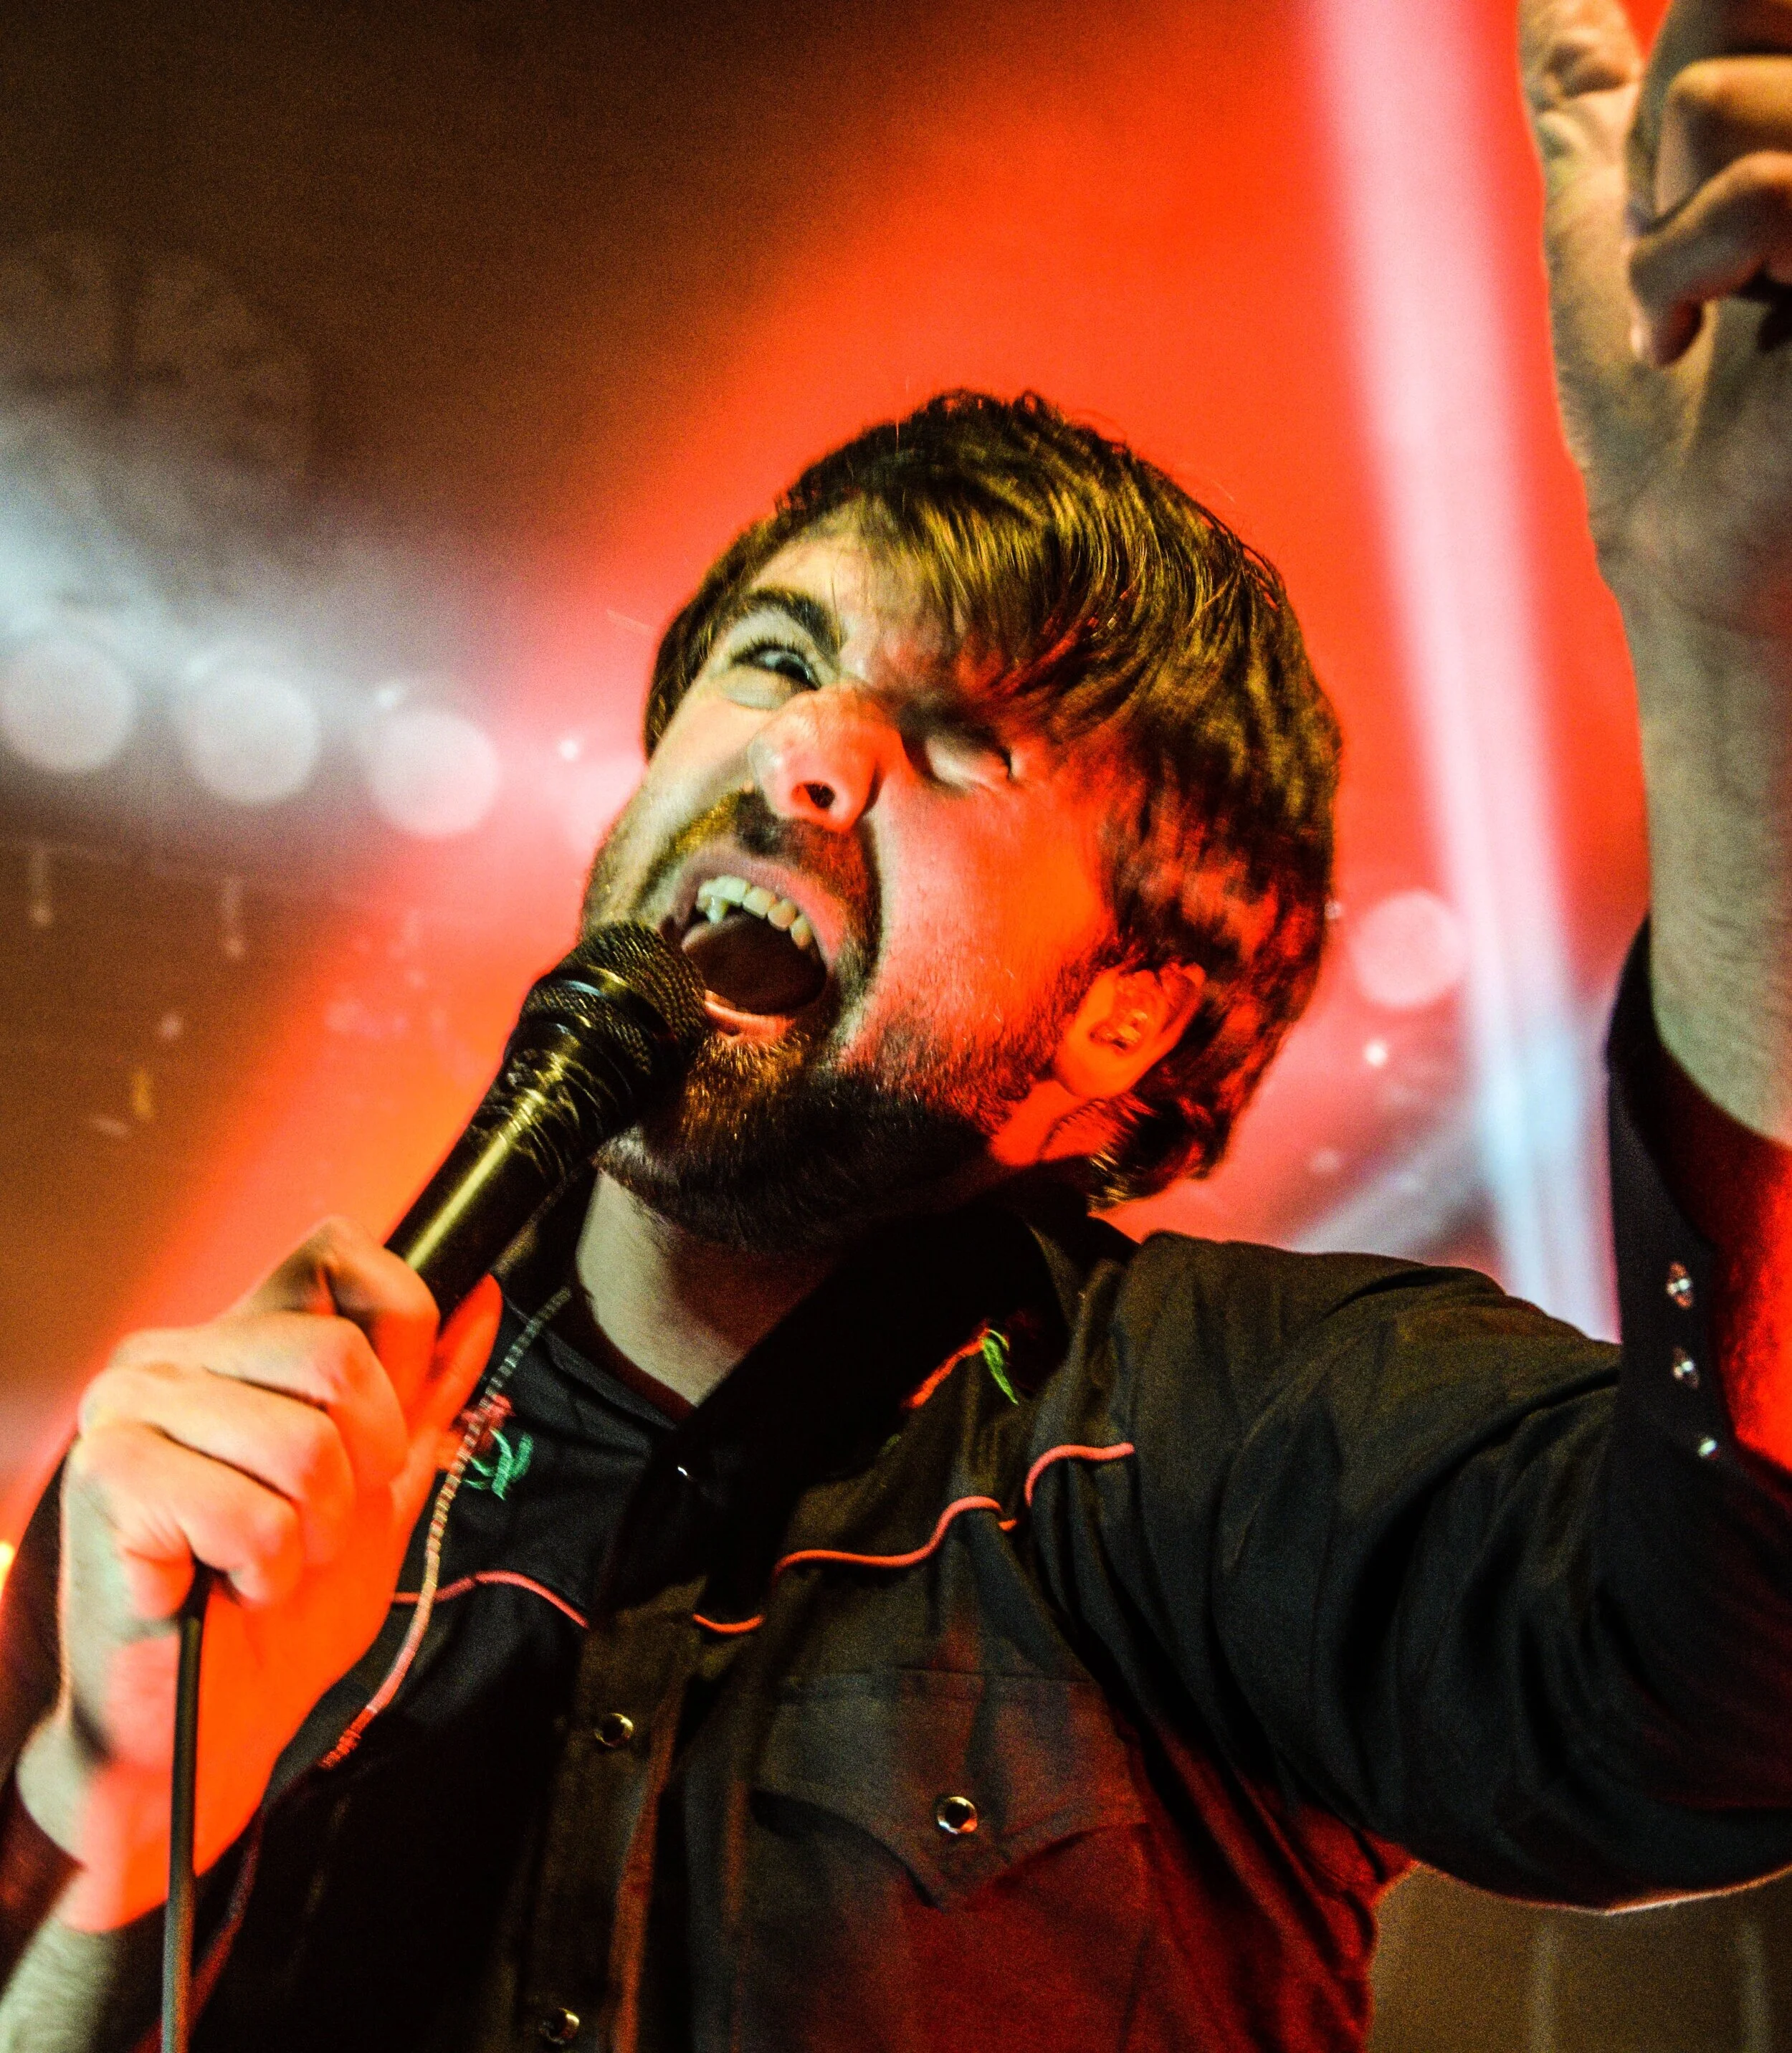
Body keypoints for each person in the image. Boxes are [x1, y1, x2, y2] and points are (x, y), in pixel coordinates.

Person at [4, 0, 1792, 2046]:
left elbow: (1711, 1673)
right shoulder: (226, 1485)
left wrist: (1738, 662)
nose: (812, 752)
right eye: (775, 657)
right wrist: (118, 1825)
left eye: (958, 745)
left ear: (1130, 1018)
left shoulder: (1209, 1435)